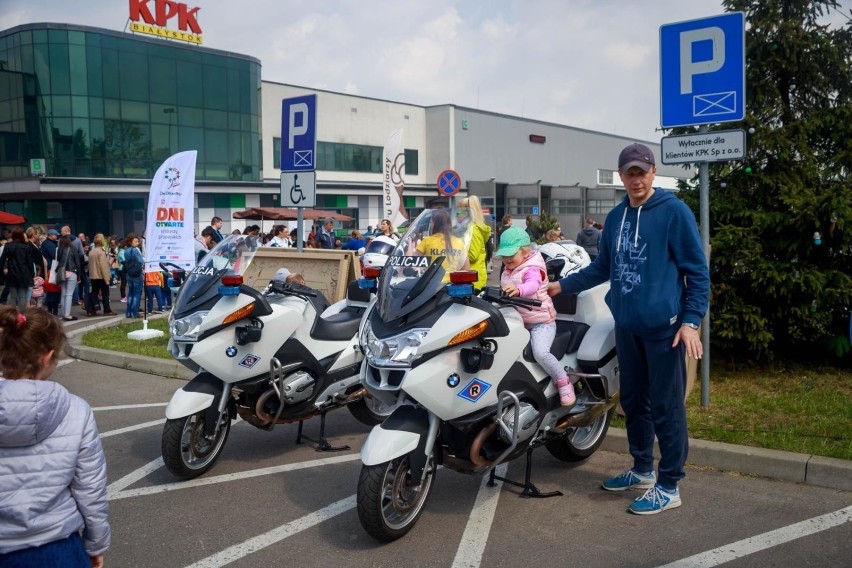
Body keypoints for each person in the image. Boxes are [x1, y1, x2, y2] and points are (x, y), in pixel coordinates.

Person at [547, 142, 710, 515]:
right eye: (629, 173)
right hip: (627, 326)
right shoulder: (618, 217)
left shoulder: (674, 213)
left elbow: (697, 274)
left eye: (642, 172)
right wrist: (563, 286)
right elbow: (603, 266)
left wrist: (689, 322)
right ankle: (642, 469)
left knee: (667, 407)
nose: (636, 179)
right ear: (621, 176)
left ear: (653, 173)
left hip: (664, 330)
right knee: (634, 402)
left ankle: (669, 484)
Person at [0, 306, 110, 567]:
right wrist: (96, 544)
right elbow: (90, 489)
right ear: (47, 357)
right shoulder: (76, 410)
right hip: (57, 546)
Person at [497, 227, 575, 406]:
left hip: (541, 322)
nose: (507, 259)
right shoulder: (510, 268)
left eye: (511, 255)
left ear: (525, 251)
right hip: (519, 320)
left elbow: (532, 285)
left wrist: (518, 290)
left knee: (540, 352)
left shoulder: (532, 268)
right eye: (504, 256)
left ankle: (563, 381)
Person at [412, 209, 469, 282]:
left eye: (431, 222)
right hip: (452, 283)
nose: (431, 224)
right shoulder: (459, 242)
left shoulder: (427, 241)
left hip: (431, 283)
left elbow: (413, 261)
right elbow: (466, 267)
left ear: (434, 223)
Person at [456, 195, 492, 292]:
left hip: (473, 281)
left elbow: (472, 255)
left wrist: (454, 253)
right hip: (468, 278)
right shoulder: (466, 229)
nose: (456, 214)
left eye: (459, 211)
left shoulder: (473, 230)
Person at [0, 228, 40, 311]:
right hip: (24, 273)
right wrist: (32, 274)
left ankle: (12, 316)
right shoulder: (26, 247)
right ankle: (22, 315)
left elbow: (2, 261)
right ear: (22, 235)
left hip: (11, 274)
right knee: (22, 296)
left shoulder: (8, 246)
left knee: (13, 296)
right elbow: (29, 262)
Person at [86, 234, 116, 317]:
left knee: (94, 293)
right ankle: (107, 310)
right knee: (105, 294)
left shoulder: (91, 251)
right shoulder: (101, 252)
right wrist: (107, 278)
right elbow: (104, 266)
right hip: (101, 276)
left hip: (93, 275)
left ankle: (91, 310)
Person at [55, 235, 82, 321]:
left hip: (62, 272)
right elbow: (77, 262)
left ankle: (63, 314)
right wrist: (79, 275)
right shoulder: (73, 248)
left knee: (63, 293)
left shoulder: (59, 249)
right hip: (72, 272)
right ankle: (67, 314)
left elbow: (58, 260)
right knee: (69, 294)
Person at [123, 234, 144, 319]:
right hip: (137, 273)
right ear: (130, 242)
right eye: (135, 241)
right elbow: (140, 261)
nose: (137, 243)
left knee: (130, 293)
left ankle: (128, 312)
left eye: (137, 241)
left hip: (129, 273)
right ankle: (135, 313)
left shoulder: (126, 251)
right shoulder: (135, 250)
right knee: (137, 293)